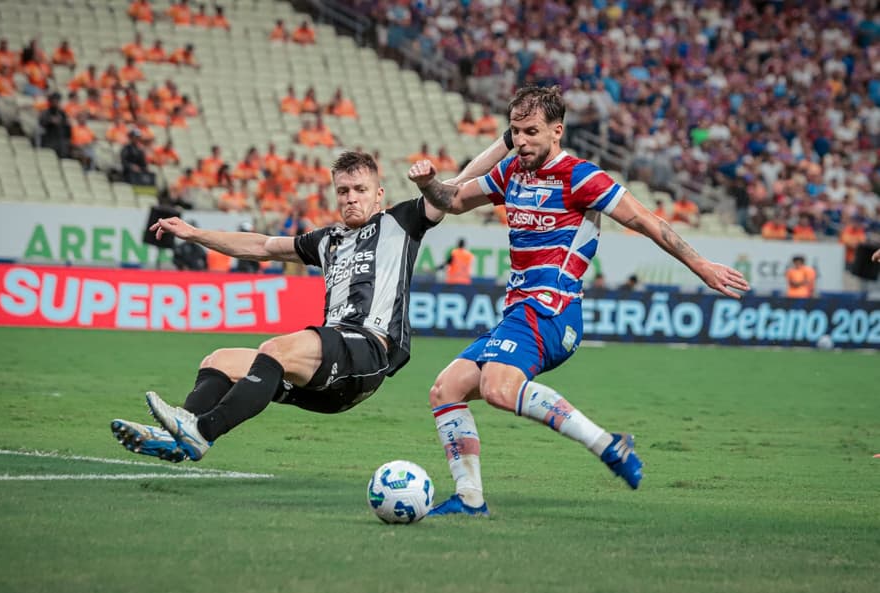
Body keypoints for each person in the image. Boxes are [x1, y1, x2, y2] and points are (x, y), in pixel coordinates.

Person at [406, 85, 750, 516]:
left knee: (497, 387)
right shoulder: (511, 171)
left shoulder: (581, 176)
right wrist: (428, 183)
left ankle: (608, 445)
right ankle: (470, 498)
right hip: (519, 312)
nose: (522, 141)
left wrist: (701, 266)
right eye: (516, 132)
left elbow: (645, 220)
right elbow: (454, 200)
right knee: (445, 390)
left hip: (553, 310)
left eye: (532, 131)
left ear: (557, 131)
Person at [111, 144, 509, 463]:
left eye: (360, 190)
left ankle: (200, 433)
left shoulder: (401, 222)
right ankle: (175, 438)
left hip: (367, 350)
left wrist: (506, 140)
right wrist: (195, 233)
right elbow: (262, 246)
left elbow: (460, 184)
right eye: (343, 191)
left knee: (275, 349)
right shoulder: (326, 240)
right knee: (219, 361)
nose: (351, 199)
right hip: (328, 376)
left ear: (378, 195)